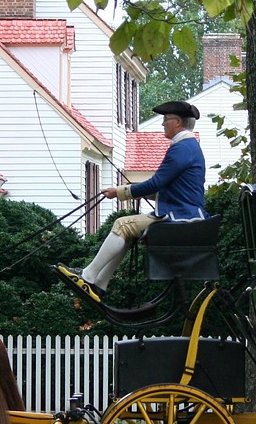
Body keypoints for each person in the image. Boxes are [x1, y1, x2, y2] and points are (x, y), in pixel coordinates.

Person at [56, 100, 207, 301]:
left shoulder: (182, 148)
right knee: (126, 231)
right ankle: (99, 285)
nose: (163, 124)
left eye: (166, 119)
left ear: (178, 122)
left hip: (180, 217)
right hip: (182, 213)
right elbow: (169, 187)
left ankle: (89, 276)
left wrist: (120, 192)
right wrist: (140, 192)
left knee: (122, 224)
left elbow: (156, 182)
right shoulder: (188, 147)